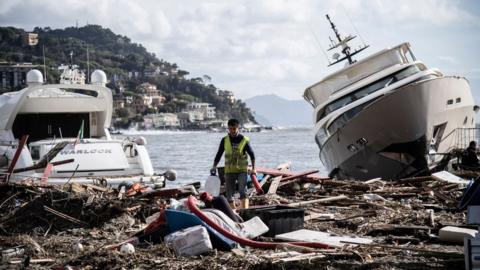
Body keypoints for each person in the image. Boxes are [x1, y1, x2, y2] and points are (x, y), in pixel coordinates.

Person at [211, 119, 256, 209]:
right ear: (228, 128)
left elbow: (252, 155)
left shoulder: (244, 140)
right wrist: (214, 166)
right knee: (229, 194)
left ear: (238, 128)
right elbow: (219, 154)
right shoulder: (224, 140)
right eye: (230, 129)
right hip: (229, 171)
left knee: (242, 191)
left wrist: (254, 168)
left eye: (234, 129)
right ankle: (233, 212)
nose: (232, 131)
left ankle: (245, 210)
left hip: (242, 170)